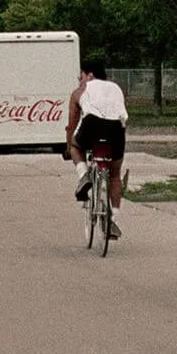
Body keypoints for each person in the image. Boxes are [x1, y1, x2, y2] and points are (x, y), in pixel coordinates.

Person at [65, 60, 129, 239]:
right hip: (117, 128)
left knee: (75, 147)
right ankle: (114, 220)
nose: (80, 81)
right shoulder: (116, 88)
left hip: (92, 123)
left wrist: (68, 146)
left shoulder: (81, 91)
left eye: (81, 76)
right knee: (115, 174)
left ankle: (84, 175)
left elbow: (72, 124)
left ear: (90, 75)